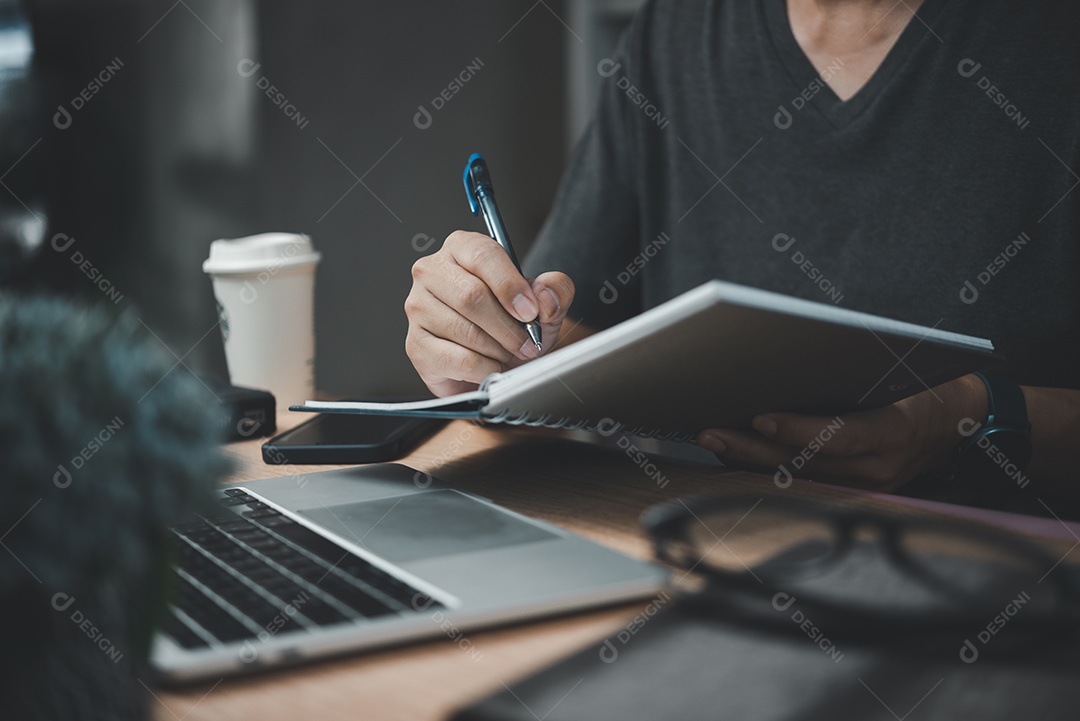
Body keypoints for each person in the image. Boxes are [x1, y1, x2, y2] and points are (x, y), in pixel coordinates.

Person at [405, 0, 1080, 501]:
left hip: (1000, 577)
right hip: (687, 549)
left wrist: (967, 417)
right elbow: (563, 338)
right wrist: (488, 348)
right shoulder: (679, 27)